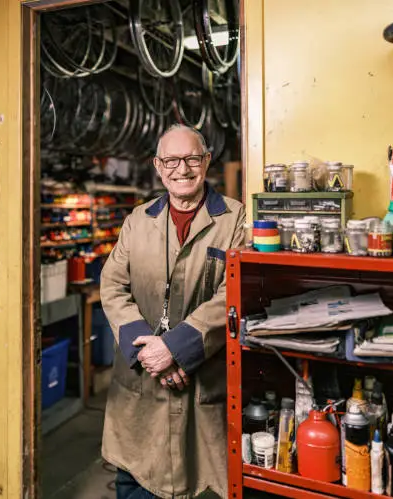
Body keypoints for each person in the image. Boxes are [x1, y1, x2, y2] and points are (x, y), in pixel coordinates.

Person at [100, 124, 246, 499]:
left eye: (192, 158)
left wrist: (176, 349)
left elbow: (235, 291)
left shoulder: (235, 220)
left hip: (201, 386)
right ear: (157, 166)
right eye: (171, 160)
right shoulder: (137, 220)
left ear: (207, 161)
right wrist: (148, 354)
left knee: (203, 483)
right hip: (141, 389)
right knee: (135, 482)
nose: (182, 169)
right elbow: (113, 286)